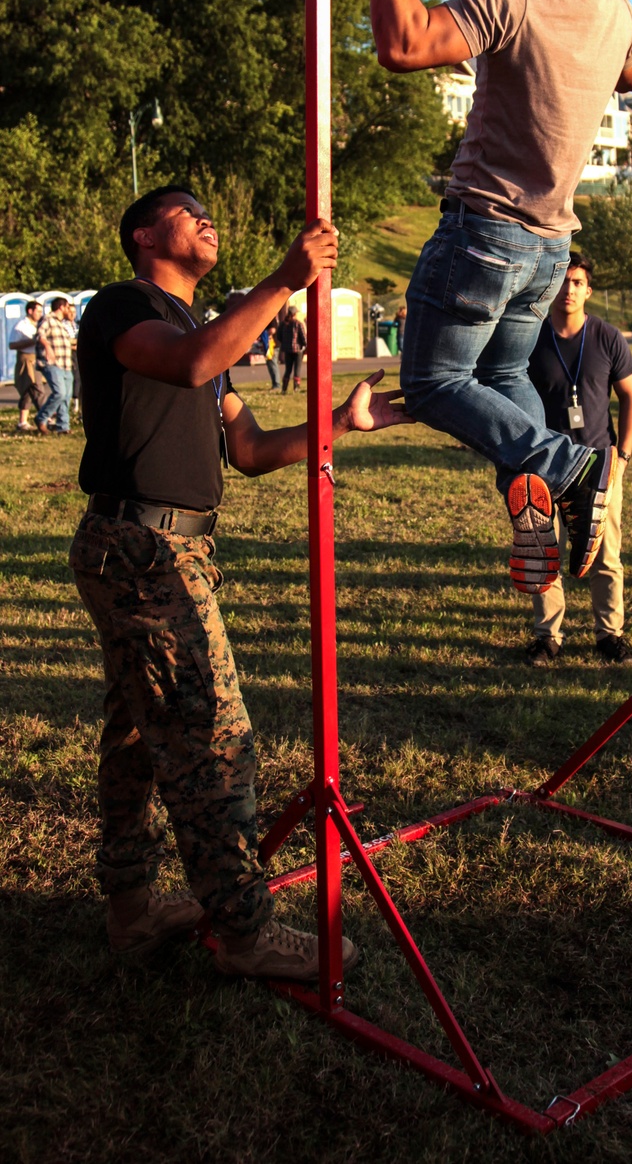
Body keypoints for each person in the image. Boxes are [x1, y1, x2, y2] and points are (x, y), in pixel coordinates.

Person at [71, 184, 410, 979]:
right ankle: (246, 930)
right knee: (210, 736)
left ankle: (131, 909)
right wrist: (286, 279)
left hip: (161, 550)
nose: (207, 219)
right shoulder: (122, 306)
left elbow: (249, 449)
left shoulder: (203, 327)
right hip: (140, 548)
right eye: (188, 210)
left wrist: (339, 424)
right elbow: (189, 367)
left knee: (133, 737)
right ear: (145, 234)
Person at [369, 0, 632, 595]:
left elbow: (402, 45)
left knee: (432, 383)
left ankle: (569, 469)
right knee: (498, 374)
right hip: (550, 248)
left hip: (484, 235)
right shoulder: (617, 12)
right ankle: (553, 494)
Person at [524, 253, 632, 663]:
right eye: (564, 281)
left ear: (588, 290)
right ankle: (547, 637)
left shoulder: (608, 337)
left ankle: (610, 635)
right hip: (544, 463)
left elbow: (631, 397)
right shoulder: (531, 338)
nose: (569, 289)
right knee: (544, 553)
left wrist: (622, 455)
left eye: (577, 282)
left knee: (607, 555)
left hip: (599, 465)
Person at [35, 296, 76, 434]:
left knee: (66, 396)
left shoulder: (61, 323)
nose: (69, 310)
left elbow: (65, 342)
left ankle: (63, 426)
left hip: (66, 364)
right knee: (60, 393)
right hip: (53, 363)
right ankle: (42, 418)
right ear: (61, 307)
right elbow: (40, 335)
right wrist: (47, 347)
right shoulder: (48, 319)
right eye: (67, 307)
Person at [10, 298, 45, 430]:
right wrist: (32, 341)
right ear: (30, 311)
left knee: (28, 390)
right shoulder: (21, 326)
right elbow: (12, 345)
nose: (40, 314)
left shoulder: (37, 325)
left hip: (36, 358)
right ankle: (44, 417)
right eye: (38, 311)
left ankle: (22, 421)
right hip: (26, 359)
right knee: (36, 388)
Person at [279, 304, 306, 393]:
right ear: (294, 314)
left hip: (287, 350)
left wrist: (284, 343)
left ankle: (284, 388)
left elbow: (279, 336)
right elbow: (303, 337)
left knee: (288, 369)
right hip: (298, 350)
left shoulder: (283, 323)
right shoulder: (298, 323)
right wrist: (305, 345)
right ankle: (296, 388)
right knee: (297, 369)